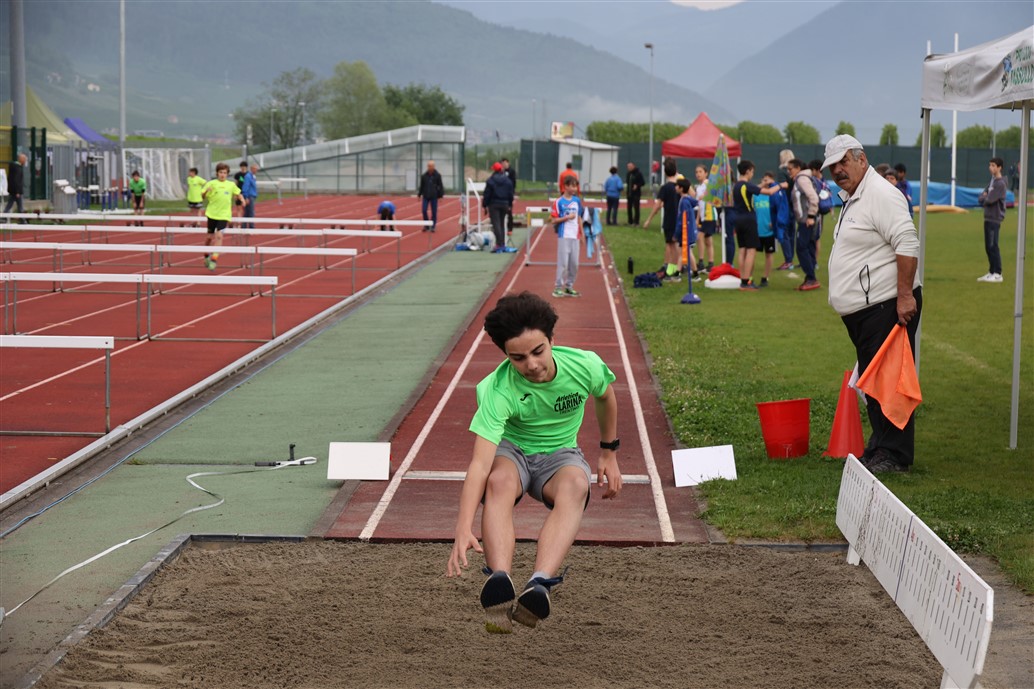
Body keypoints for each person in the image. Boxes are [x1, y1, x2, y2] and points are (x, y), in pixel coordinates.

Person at [445, 291, 622, 633]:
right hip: (512, 452)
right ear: (506, 355)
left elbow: (606, 397)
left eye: (538, 351)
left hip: (560, 455)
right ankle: (499, 582)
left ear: (552, 340)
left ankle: (539, 583)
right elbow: (480, 465)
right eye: (518, 358)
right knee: (498, 481)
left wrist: (608, 452)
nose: (532, 365)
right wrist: (463, 527)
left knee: (577, 484)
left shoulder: (584, 366)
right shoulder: (498, 391)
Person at [824, 134, 922, 474]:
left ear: (861, 159)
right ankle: (881, 447)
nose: (838, 170)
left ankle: (894, 454)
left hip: (885, 304)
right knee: (874, 382)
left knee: (890, 383)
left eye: (843, 162)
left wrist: (905, 295)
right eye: (832, 166)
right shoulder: (856, 196)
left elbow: (907, 241)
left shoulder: (881, 194)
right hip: (869, 309)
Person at [729, 160, 780, 290]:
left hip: (738, 219)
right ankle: (747, 282)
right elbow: (769, 192)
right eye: (752, 171)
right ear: (748, 171)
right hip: (749, 219)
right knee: (751, 250)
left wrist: (762, 184)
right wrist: (781, 185)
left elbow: (752, 189)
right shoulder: (747, 185)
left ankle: (743, 280)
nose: (752, 174)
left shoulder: (737, 185)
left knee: (742, 250)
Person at [642, 159, 682, 283]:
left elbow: (657, 205)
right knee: (673, 246)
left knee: (673, 247)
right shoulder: (680, 187)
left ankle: (673, 273)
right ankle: (672, 271)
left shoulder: (665, 188)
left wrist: (649, 219)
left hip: (670, 220)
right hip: (679, 219)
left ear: (664, 172)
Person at [200, 162, 245, 271]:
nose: (222, 175)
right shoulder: (211, 183)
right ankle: (206, 255)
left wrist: (242, 199)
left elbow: (238, 193)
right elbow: (202, 196)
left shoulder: (231, 185)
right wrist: (205, 192)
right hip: (212, 214)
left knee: (219, 236)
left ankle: (214, 259)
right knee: (209, 237)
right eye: (220, 172)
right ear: (217, 173)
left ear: (227, 174)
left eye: (224, 173)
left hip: (224, 215)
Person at [786, 158, 821, 291]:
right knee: (808, 247)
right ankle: (810, 278)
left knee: (801, 248)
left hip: (807, 220)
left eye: (790, 169)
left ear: (798, 168)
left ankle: (811, 278)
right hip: (808, 219)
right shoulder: (804, 178)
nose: (789, 172)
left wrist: (810, 216)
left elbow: (813, 197)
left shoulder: (802, 179)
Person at [550, 176, 583, 297]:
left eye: (576, 186)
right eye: (572, 186)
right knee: (563, 263)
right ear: (566, 186)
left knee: (574, 264)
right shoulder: (558, 202)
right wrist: (567, 217)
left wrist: (582, 234)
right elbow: (553, 220)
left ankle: (569, 286)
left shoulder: (577, 201)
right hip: (564, 236)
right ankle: (558, 287)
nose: (574, 189)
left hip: (575, 236)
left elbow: (579, 217)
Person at [976, 156, 1007, 283]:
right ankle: (991, 271)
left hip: (995, 218)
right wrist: (984, 196)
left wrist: (985, 196)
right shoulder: (992, 182)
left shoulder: (1000, 184)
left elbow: (989, 199)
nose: (990, 168)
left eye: (993, 165)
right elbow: (981, 197)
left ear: (999, 168)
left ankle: (998, 273)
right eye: (990, 165)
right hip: (988, 217)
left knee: (993, 245)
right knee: (988, 246)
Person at [754, 172, 782, 288]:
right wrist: (762, 184)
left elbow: (779, 210)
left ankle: (765, 277)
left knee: (769, 254)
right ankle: (748, 278)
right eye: (764, 180)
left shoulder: (774, 195)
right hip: (756, 230)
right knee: (752, 253)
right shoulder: (757, 194)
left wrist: (774, 222)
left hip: (769, 231)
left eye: (769, 180)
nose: (766, 182)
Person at [483, 162, 514, 253]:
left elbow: (487, 194)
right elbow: (510, 194)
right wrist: (510, 204)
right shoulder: (508, 181)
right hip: (504, 204)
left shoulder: (490, 180)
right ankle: (502, 244)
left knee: (496, 224)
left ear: (494, 170)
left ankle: (499, 244)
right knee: (501, 224)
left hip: (494, 204)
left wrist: (485, 205)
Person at [693, 163, 717, 272]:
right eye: (696, 172)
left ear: (706, 173)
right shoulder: (698, 188)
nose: (698, 174)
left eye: (700, 172)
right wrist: (697, 218)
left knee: (700, 237)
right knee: (708, 240)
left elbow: (714, 193)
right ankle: (711, 263)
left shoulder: (708, 184)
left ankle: (701, 262)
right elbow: (699, 204)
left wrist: (706, 196)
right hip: (703, 216)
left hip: (710, 215)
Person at [776, 149, 796, 270]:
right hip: (795, 205)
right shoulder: (794, 172)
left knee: (784, 232)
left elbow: (782, 189)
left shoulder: (782, 172)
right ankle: (790, 259)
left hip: (785, 205)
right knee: (792, 233)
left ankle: (788, 260)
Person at [675, 177, 699, 279]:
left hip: (686, 232)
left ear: (681, 188)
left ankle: (694, 273)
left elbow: (683, 219)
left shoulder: (684, 202)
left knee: (687, 252)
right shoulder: (686, 200)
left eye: (677, 186)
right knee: (685, 252)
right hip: (688, 231)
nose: (675, 187)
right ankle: (678, 273)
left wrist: (677, 233)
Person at [418, 160, 444, 232]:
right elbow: (422, 186)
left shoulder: (437, 175)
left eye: (431, 166)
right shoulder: (424, 176)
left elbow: (440, 186)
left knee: (434, 212)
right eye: (429, 166)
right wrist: (419, 194)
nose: (430, 167)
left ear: (434, 166)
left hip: (434, 196)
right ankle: (426, 225)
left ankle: (433, 226)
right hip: (426, 196)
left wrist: (440, 196)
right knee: (424, 210)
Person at [3, 153, 27, 220]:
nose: (25, 161)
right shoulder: (18, 168)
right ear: (22, 160)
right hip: (17, 191)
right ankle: (23, 220)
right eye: (25, 159)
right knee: (20, 206)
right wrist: (17, 191)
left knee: (10, 204)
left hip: (13, 190)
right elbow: (17, 180)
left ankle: (3, 216)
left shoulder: (13, 167)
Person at [501, 158, 517, 234]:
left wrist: (512, 194)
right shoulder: (501, 171)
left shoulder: (512, 171)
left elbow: (514, 183)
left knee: (509, 211)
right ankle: (502, 228)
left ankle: (510, 228)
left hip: (509, 194)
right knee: (501, 212)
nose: (504, 165)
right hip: (502, 194)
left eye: (505, 163)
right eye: (502, 163)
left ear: (508, 163)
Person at [625, 161, 644, 226]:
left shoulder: (638, 173)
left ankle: (636, 222)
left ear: (633, 166)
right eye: (628, 167)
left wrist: (637, 185)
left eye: (630, 166)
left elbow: (643, 182)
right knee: (629, 208)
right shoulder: (628, 174)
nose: (629, 168)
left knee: (636, 208)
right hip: (629, 194)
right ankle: (630, 221)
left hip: (636, 194)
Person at [240, 164, 259, 229]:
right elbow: (245, 186)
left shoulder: (253, 176)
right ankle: (251, 227)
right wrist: (246, 197)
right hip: (249, 196)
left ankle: (244, 226)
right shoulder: (248, 176)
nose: (256, 170)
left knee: (247, 212)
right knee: (250, 212)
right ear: (252, 169)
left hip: (252, 196)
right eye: (255, 169)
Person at [233, 161, 248, 227]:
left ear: (246, 167)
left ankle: (244, 223)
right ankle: (239, 222)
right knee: (239, 208)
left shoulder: (248, 174)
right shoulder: (238, 175)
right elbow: (236, 184)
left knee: (245, 209)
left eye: (244, 166)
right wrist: (235, 194)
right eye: (242, 166)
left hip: (246, 193)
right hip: (239, 193)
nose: (243, 168)